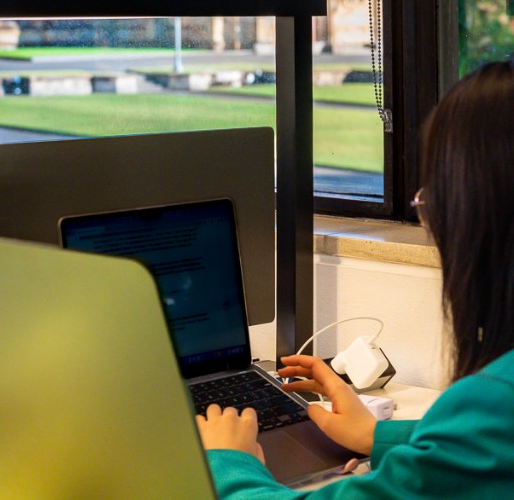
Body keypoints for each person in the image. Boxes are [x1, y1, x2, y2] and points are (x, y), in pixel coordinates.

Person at [198, 59, 514, 497]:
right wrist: (377, 437)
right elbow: (481, 452)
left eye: (432, 197)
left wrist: (226, 462)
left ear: (481, 213)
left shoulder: (493, 402)